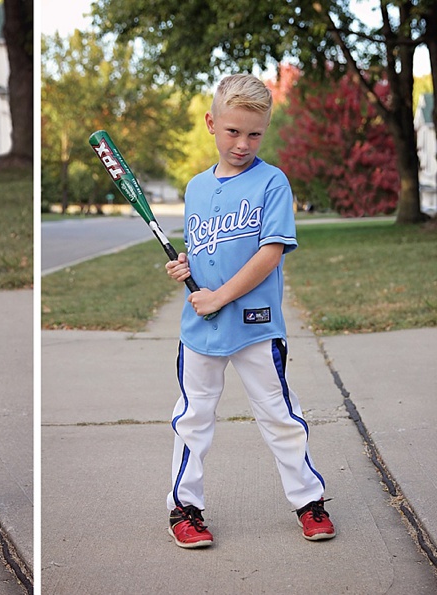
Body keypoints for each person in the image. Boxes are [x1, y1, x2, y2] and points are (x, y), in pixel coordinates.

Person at [164, 73, 335, 548]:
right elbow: (202, 248)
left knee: (280, 415)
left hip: (255, 326)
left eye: (254, 133)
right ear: (211, 124)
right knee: (192, 418)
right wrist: (185, 266)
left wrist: (220, 296)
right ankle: (185, 508)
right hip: (199, 329)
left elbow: (270, 252)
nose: (242, 143)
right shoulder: (195, 188)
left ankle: (308, 501)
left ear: (266, 129)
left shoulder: (272, 181)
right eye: (232, 131)